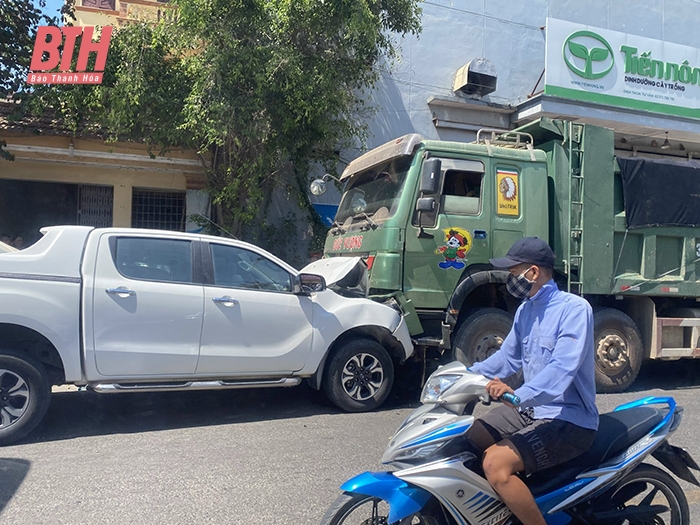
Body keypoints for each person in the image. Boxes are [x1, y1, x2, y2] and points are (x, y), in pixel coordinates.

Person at [465, 237, 598, 525]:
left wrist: (518, 394)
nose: (511, 280)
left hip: (569, 419)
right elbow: (507, 358)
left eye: (514, 273)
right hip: (530, 412)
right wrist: (466, 375)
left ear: (533, 272)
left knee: (495, 464)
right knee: (469, 436)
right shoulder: (526, 310)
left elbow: (562, 369)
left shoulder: (574, 309)